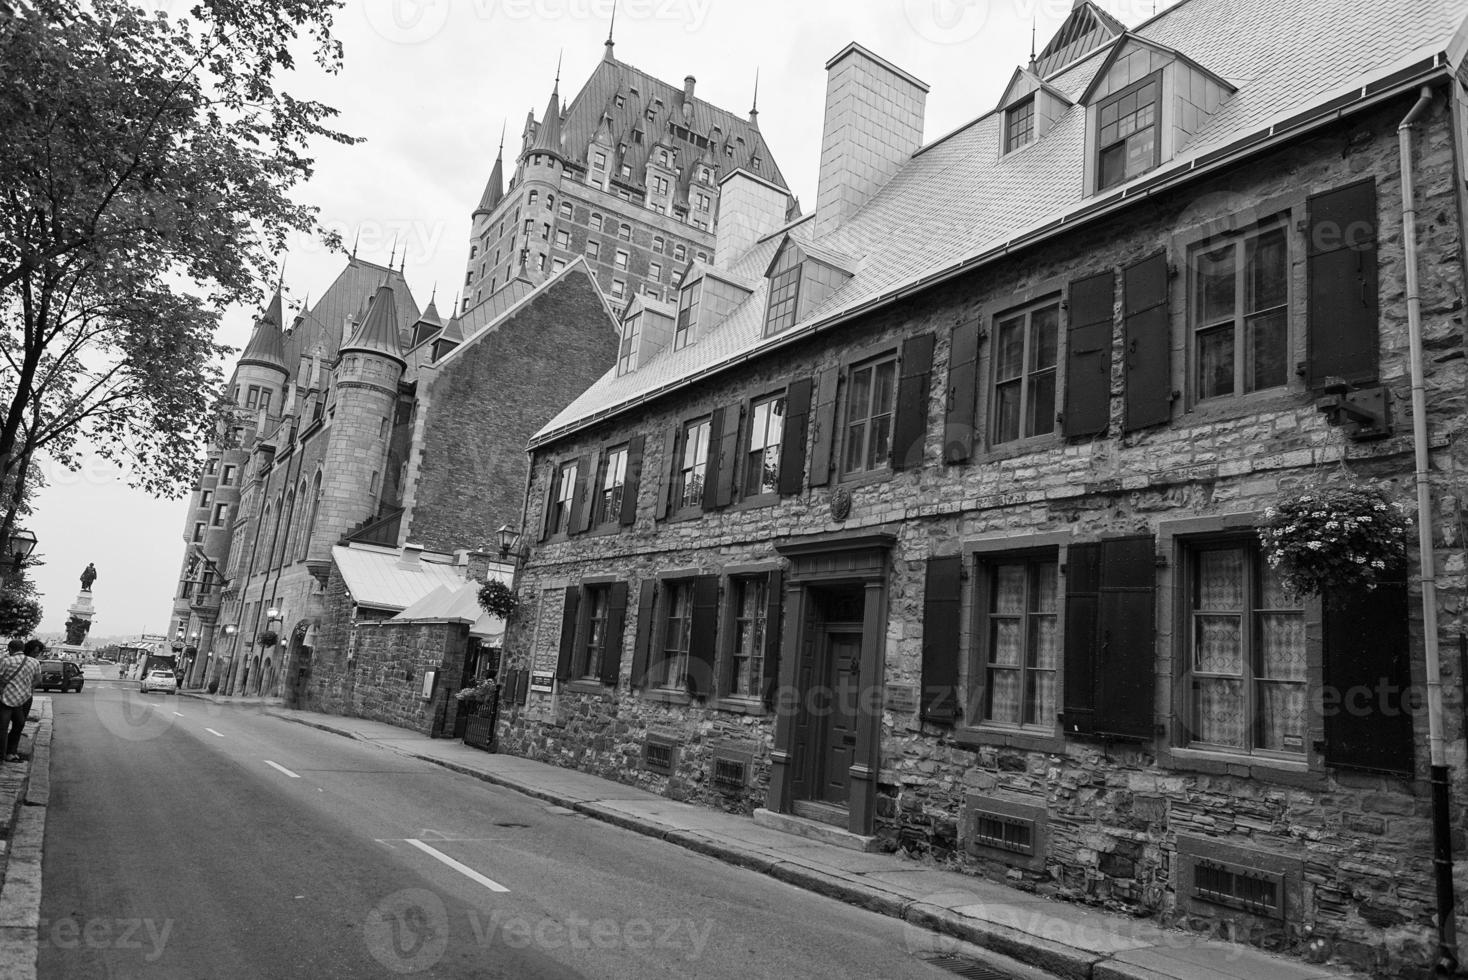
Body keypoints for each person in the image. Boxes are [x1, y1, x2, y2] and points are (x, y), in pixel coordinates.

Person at [0, 640, 40, 765]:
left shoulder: (6, 661)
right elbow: (38, 680)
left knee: (2, 728)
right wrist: (27, 689)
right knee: (19, 724)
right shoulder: (34, 662)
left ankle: (1, 755)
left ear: (10, 649)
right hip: (22, 700)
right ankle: (11, 752)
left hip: (5, 699)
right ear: (23, 648)